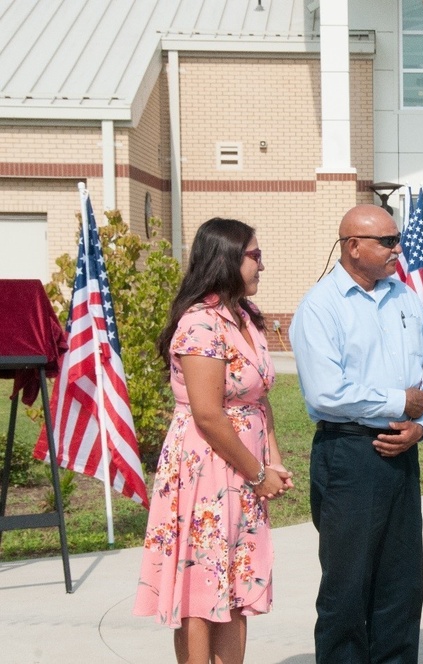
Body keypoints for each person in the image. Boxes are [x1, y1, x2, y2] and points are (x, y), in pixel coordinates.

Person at [289, 204, 423, 664]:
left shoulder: (404, 298)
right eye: (387, 241)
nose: (398, 248)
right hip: (350, 454)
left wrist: (420, 425)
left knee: (401, 583)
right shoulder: (321, 306)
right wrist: (400, 403)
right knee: (348, 585)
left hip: (403, 451)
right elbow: (325, 393)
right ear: (353, 246)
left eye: (397, 238)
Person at [134, 218, 293, 664]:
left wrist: (272, 463)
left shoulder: (245, 317)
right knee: (201, 589)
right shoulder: (200, 324)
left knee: (235, 584)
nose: (263, 264)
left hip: (243, 469)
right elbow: (207, 413)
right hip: (204, 470)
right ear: (226, 259)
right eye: (255, 256)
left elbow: (259, 398)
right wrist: (257, 471)